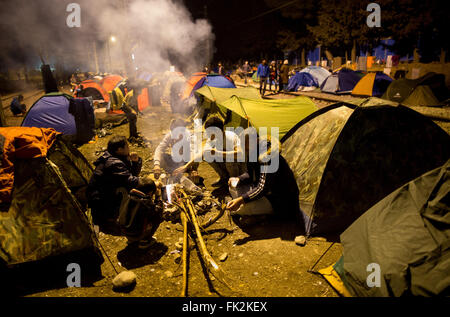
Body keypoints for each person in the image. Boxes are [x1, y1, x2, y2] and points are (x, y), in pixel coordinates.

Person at [87, 136, 159, 247]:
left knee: (140, 190)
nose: (129, 148)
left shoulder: (113, 158)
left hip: (105, 202)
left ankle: (132, 230)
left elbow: (129, 177)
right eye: (127, 146)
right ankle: (141, 237)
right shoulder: (113, 163)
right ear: (119, 149)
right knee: (147, 195)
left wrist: (135, 162)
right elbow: (132, 182)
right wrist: (154, 184)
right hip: (105, 209)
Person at [226, 128, 300, 226]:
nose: (245, 150)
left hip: (277, 200)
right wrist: (238, 179)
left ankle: (265, 216)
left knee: (237, 210)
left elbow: (262, 188)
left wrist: (241, 200)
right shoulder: (253, 151)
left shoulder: (267, 155)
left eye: (246, 147)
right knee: (233, 187)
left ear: (256, 141)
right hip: (265, 194)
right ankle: (254, 212)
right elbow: (250, 174)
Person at [173, 116, 245, 188]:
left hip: (240, 169)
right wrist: (186, 166)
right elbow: (202, 153)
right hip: (226, 164)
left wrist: (218, 153)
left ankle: (235, 182)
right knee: (207, 154)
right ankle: (224, 178)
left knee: (230, 158)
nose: (208, 135)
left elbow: (240, 154)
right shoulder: (213, 139)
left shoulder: (231, 137)